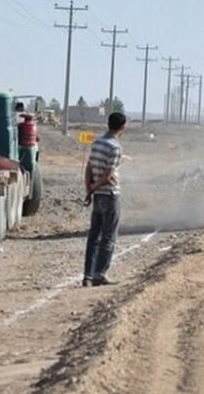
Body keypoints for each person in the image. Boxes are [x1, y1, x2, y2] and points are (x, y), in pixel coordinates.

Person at [82, 112, 126, 287]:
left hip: (98, 196)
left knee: (94, 236)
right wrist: (94, 187)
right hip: (110, 195)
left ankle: (87, 276)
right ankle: (99, 274)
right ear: (122, 127)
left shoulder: (97, 143)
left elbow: (89, 168)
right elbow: (107, 176)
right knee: (108, 237)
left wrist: (89, 189)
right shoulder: (115, 147)